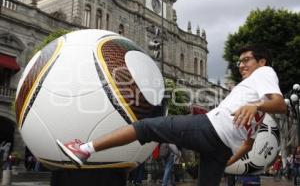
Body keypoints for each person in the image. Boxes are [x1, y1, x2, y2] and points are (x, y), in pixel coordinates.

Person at [56, 45, 287, 186]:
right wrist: (226, 162)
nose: (241, 65)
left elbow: (280, 104)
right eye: (239, 61)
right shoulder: (254, 95)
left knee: (146, 127)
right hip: (222, 148)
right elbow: (248, 145)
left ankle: (84, 150)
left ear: (262, 61)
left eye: (246, 60)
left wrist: (256, 106)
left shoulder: (264, 73)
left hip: (211, 128)